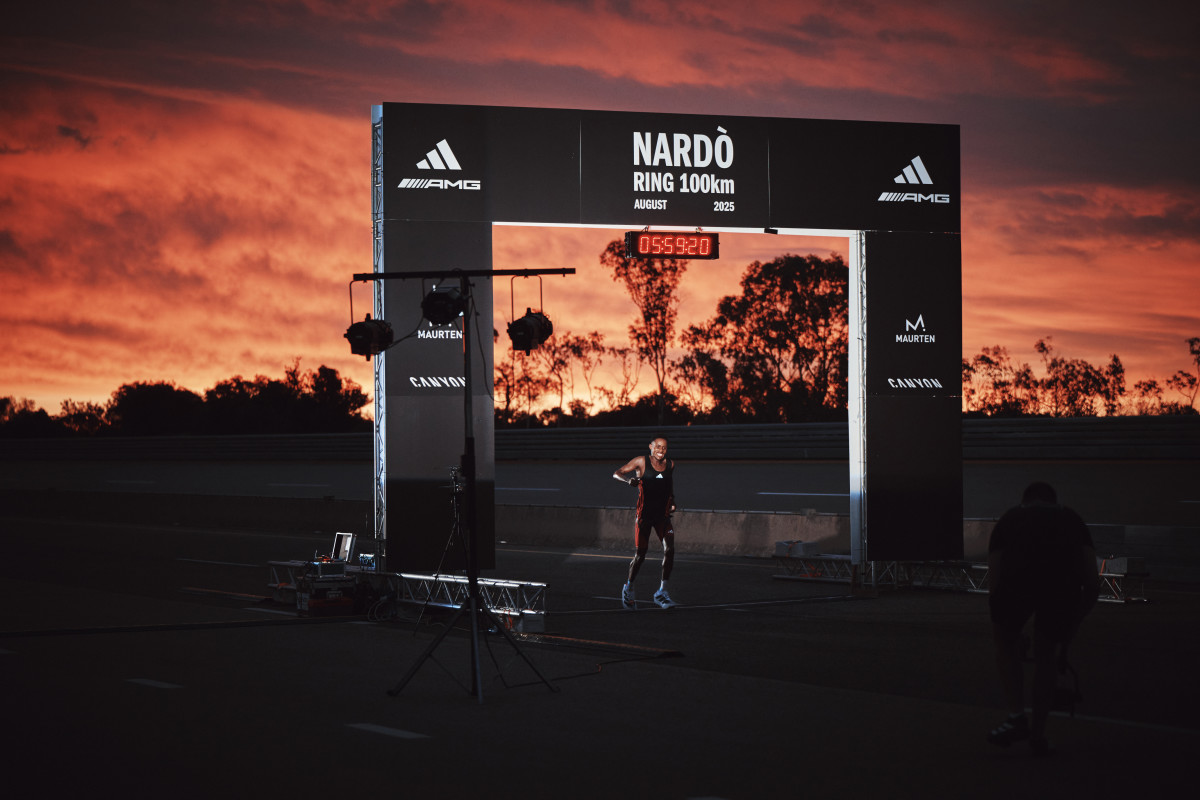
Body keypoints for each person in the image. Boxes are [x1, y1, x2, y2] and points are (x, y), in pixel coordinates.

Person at [986, 481, 1100, 756]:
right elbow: (1092, 584)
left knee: (1005, 648)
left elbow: (995, 578)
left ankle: (1016, 716)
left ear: (1025, 501)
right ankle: (1038, 735)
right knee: (1046, 657)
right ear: (1054, 501)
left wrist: (1006, 628)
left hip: (1016, 587)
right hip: (1061, 590)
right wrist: (1072, 626)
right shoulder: (1073, 520)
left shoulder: (1010, 519)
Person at [612, 436, 678, 610]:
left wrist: (672, 500)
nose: (660, 450)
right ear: (650, 447)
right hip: (644, 517)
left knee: (670, 549)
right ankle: (629, 587)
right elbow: (617, 472)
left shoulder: (670, 465)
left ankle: (662, 592)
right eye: (657, 447)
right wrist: (628, 481)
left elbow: (669, 485)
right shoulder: (641, 461)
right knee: (641, 554)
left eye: (664, 448)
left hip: (662, 516)